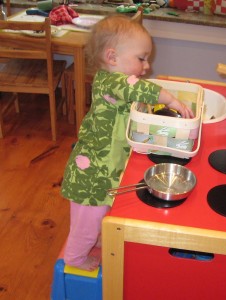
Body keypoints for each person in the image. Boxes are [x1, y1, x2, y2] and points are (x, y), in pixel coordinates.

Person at [61, 14, 194, 271]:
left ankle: (94, 239)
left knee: (99, 216)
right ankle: (74, 258)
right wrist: (171, 101)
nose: (146, 66)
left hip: (102, 169)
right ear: (112, 58)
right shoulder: (111, 81)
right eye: (141, 58)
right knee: (85, 226)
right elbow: (139, 89)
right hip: (90, 176)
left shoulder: (116, 83)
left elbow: (133, 95)